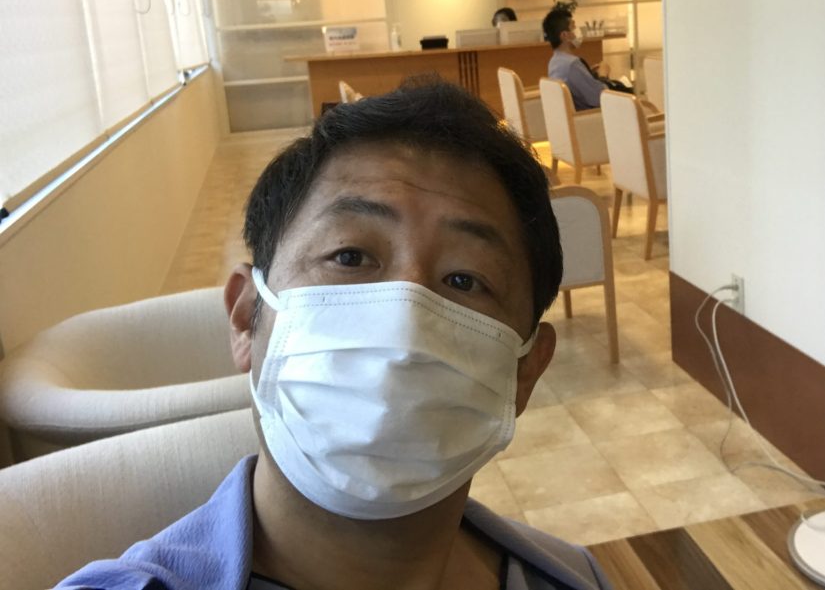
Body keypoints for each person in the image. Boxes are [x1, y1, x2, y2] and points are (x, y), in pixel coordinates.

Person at [55, 81, 613, 590]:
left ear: (525, 370)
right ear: (246, 317)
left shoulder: (575, 577)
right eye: (350, 256)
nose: (404, 325)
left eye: (464, 280)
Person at [542, 5, 623, 112]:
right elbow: (599, 97)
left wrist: (586, 73)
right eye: (573, 28)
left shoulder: (554, 62)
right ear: (564, 35)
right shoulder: (572, 65)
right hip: (591, 116)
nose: (577, 32)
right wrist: (603, 75)